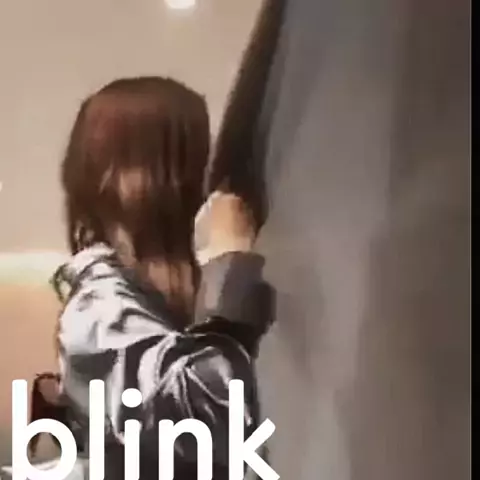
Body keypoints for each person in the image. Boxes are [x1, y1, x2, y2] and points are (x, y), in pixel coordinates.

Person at [38, 76, 272, 480]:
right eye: (196, 160)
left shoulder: (156, 294)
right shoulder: (98, 310)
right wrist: (230, 270)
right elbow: (208, 422)